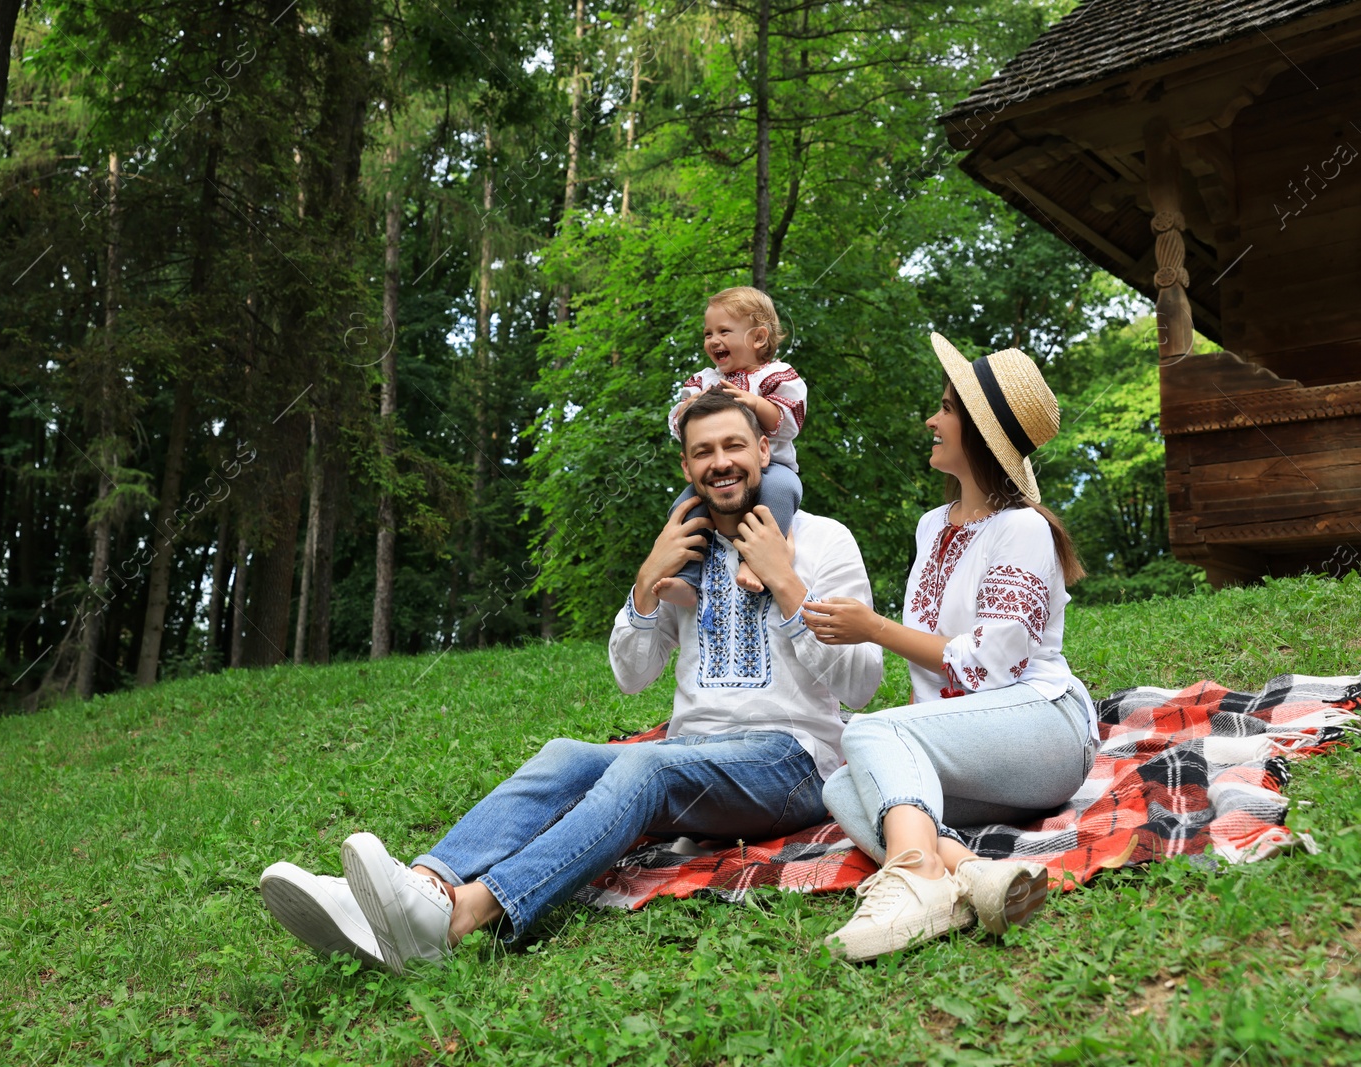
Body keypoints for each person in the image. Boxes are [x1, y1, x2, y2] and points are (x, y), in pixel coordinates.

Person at [259, 390, 883, 974]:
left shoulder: (823, 541)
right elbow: (631, 676)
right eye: (703, 452)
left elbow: (861, 685)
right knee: (567, 755)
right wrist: (644, 586)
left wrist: (787, 585)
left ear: (763, 452)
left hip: (792, 760)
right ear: (687, 467)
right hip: (693, 751)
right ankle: (418, 889)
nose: (720, 463)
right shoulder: (683, 550)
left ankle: (457, 919)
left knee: (643, 769)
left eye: (733, 447)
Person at [802, 333, 1097, 962]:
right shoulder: (931, 527)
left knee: (873, 733)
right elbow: (933, 684)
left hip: (1046, 731)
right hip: (976, 752)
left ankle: (914, 877)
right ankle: (972, 875)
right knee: (845, 786)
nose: (932, 421)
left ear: (982, 433)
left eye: (946, 409)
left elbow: (992, 666)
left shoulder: (1021, 529)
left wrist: (873, 628)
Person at [654, 286, 807, 608]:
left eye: (724, 331)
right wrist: (687, 409)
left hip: (772, 466)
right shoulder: (704, 380)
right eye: (708, 333)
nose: (713, 340)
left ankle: (757, 561)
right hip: (724, 475)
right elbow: (678, 425)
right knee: (683, 508)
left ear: (758, 338)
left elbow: (790, 422)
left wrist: (756, 403)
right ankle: (687, 578)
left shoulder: (776, 376)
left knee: (781, 493)